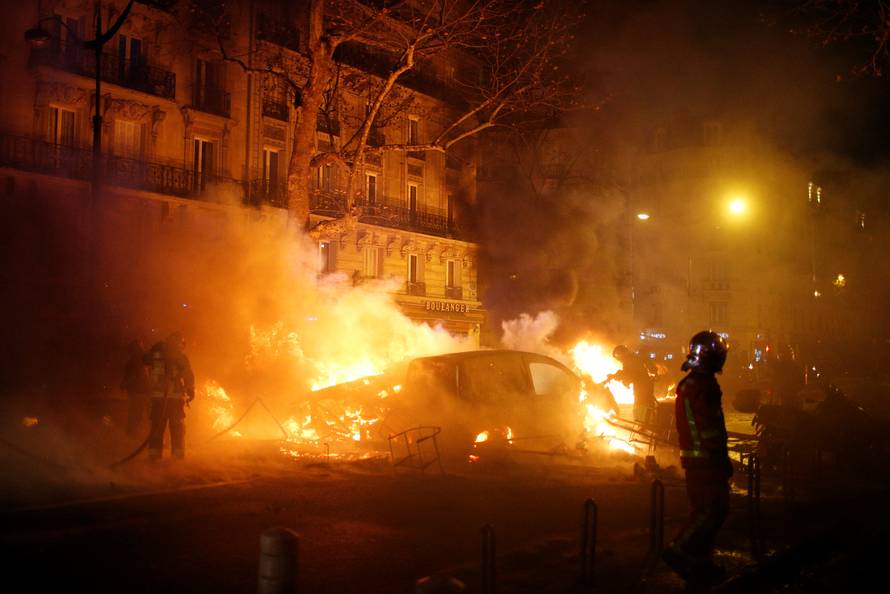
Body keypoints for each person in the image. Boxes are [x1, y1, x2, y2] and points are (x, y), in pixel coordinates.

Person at [662, 331, 732, 587]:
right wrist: (721, 459)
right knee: (713, 511)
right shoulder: (705, 387)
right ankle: (679, 549)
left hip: (695, 460)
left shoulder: (689, 384)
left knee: (703, 510)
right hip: (707, 461)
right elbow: (710, 427)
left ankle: (701, 566)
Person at [144, 332, 195, 461]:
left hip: (163, 400)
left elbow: (187, 374)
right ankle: (174, 457)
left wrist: (190, 388)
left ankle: (156, 457)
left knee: (159, 428)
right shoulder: (175, 357)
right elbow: (188, 375)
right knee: (173, 428)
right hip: (172, 400)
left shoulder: (161, 356)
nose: (179, 346)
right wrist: (190, 389)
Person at [607, 345, 657, 423]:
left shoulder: (630, 360)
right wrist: (624, 381)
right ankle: (647, 423)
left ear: (621, 354)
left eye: (618, 357)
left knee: (641, 405)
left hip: (642, 385)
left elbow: (629, 374)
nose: (619, 360)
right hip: (643, 384)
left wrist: (614, 376)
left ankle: (645, 424)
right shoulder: (632, 358)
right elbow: (630, 374)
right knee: (644, 404)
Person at [121, 339, 150, 436]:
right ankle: (132, 435)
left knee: (141, 416)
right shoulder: (132, 364)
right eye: (137, 349)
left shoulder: (145, 362)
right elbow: (128, 378)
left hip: (144, 393)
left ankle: (133, 435)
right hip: (140, 393)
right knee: (136, 415)